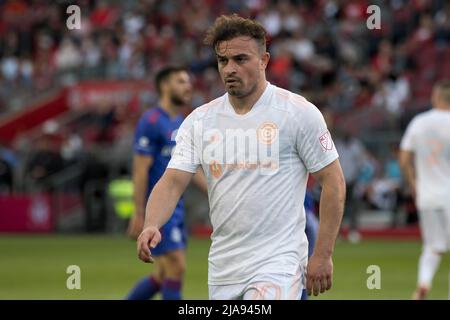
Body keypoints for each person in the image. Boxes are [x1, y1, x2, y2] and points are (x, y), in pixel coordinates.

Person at [137, 14, 346, 300]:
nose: (229, 69)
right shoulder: (200, 121)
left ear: (264, 60)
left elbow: (333, 181)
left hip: (279, 264)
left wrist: (323, 254)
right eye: (223, 61)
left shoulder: (298, 113)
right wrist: (151, 223)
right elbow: (172, 181)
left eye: (240, 59)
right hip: (224, 267)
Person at [126, 66, 204, 300]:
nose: (188, 86)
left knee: (162, 274)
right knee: (176, 266)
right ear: (165, 86)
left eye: (188, 81)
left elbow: (192, 169)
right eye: (181, 81)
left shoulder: (181, 122)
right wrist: (140, 213)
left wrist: (217, 191)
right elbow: (140, 171)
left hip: (176, 208)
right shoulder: (150, 121)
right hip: (158, 208)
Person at [399, 80, 450, 300]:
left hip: (427, 195)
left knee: (432, 246)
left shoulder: (419, 122)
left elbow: (403, 158)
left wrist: (413, 184)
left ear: (436, 97)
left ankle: (423, 283)